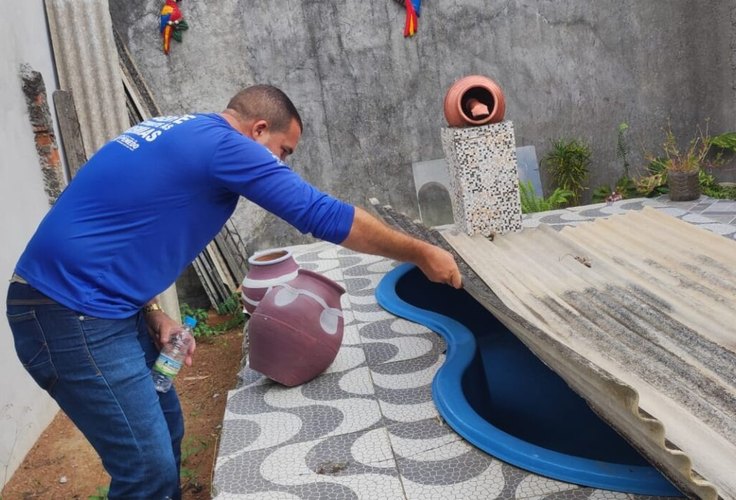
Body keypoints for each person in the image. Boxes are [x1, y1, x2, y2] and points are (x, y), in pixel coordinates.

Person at [5, 84, 461, 499]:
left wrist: (150, 312)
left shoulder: (178, 130)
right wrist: (418, 252)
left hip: (94, 306)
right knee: (145, 470)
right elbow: (316, 211)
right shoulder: (224, 144)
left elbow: (115, 227)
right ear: (259, 129)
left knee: (167, 430)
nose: (279, 164)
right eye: (283, 150)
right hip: (69, 314)